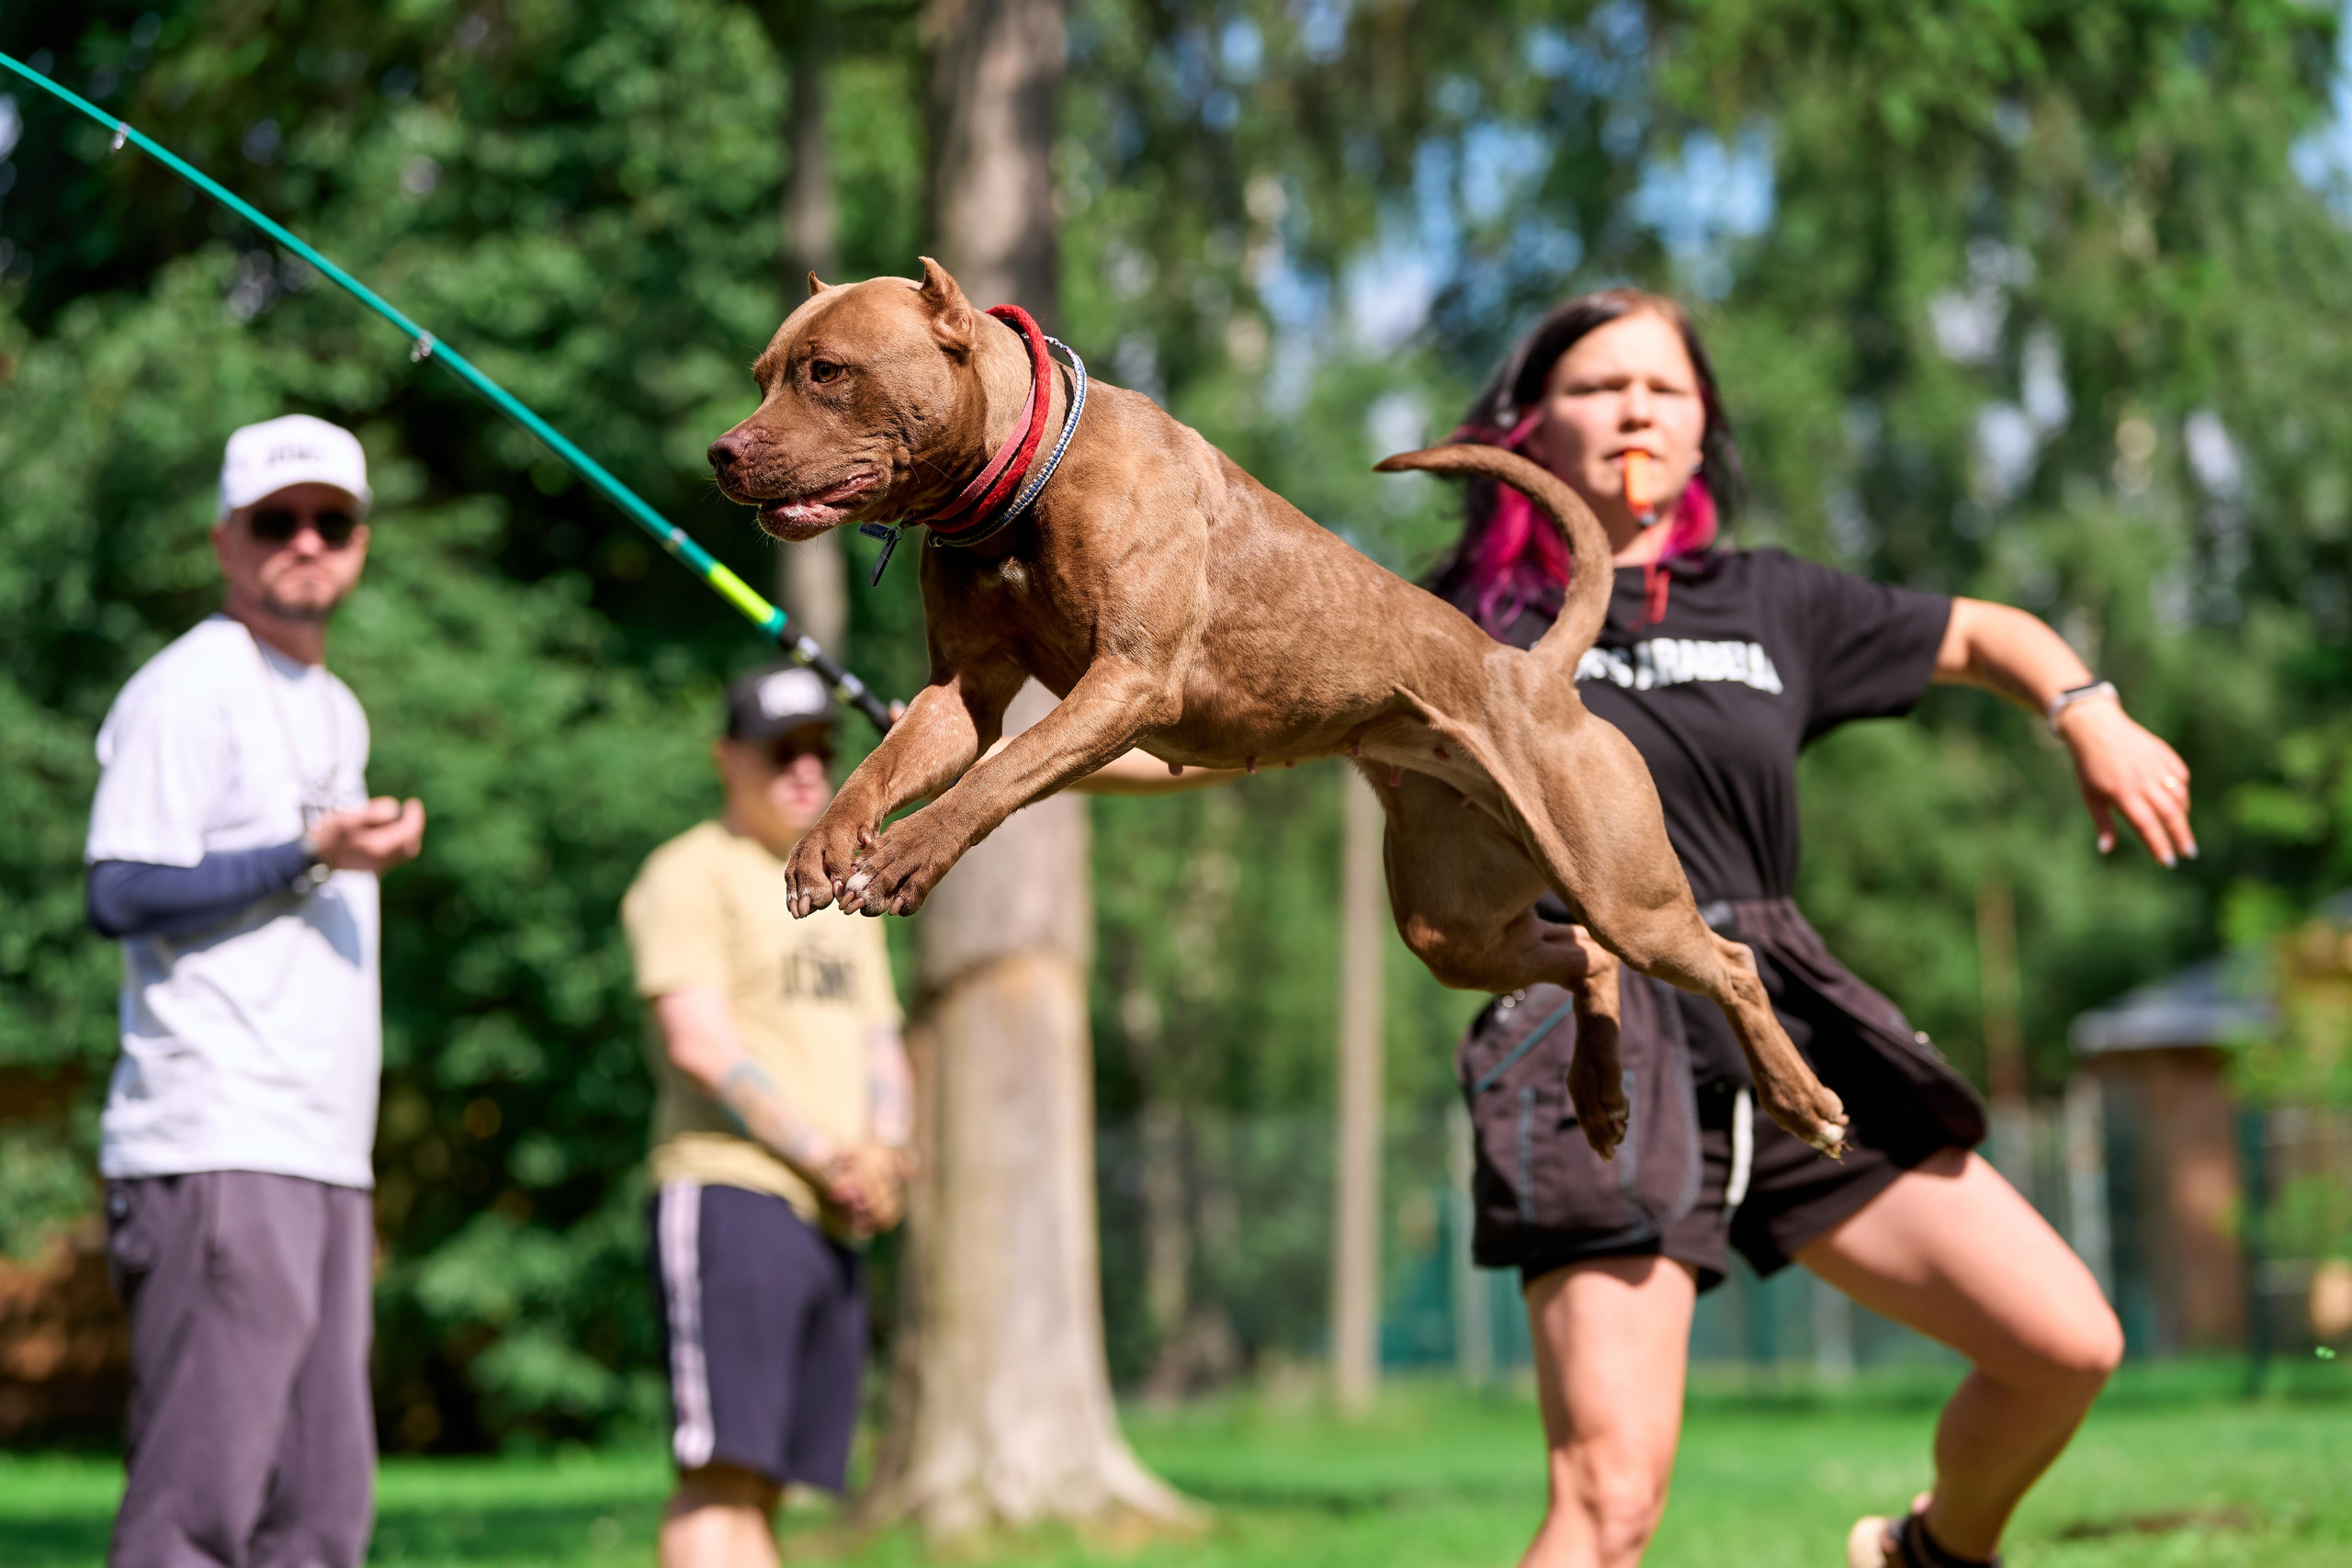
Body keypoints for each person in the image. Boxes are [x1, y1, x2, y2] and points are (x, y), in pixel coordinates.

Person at [1429, 292, 2185, 1568]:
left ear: (1701, 429)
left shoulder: (1774, 601)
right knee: (1611, 1504)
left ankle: (1930, 1552)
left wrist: (2085, 707)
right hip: (1593, 1020)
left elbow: (1984, 631)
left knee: (2065, 1342)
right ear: (1529, 430)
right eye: (1600, 386)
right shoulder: (1458, 624)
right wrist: (1044, 744)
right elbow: (1243, 724)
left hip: (1774, 1011)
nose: (1635, 409)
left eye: (1664, 388)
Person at [85, 413, 427, 1568]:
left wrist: (340, 845)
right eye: (277, 522)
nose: (306, 542)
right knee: (196, 1515)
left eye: (331, 521)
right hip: (220, 1136)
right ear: (227, 541)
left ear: (360, 543)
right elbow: (120, 889)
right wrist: (309, 852)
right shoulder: (187, 689)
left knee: (321, 1519)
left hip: (325, 1148)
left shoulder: (335, 708)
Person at [623, 665, 917, 1568]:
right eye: (780, 751)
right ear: (726, 760)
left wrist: (886, 1157)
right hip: (730, 1195)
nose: (805, 771)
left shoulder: (842, 887)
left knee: (768, 1484)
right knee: (719, 1474)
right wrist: (828, 1156)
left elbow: (880, 1042)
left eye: (822, 752)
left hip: (831, 1214)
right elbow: (698, 1043)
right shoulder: (688, 873)